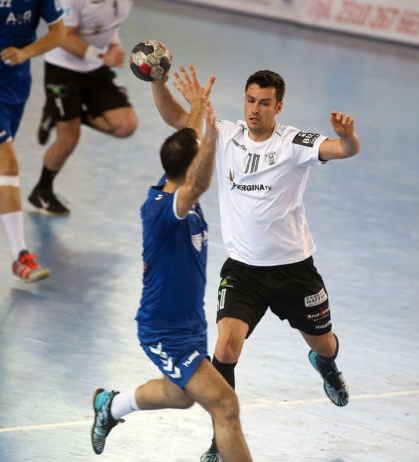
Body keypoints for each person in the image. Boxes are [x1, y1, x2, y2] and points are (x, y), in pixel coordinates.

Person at [152, 65, 361, 462]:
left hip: (294, 269)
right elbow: (177, 119)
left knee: (324, 343)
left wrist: (348, 136)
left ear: (278, 107)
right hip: (243, 270)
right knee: (226, 348)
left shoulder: (293, 143)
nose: (255, 109)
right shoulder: (225, 135)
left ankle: (326, 366)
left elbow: (343, 149)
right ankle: (221, 436)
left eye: (265, 103)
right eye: (250, 100)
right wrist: (157, 83)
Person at [90, 74, 253, 462]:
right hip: (163, 330)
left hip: (190, 324)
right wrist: (212, 142)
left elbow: (188, 137)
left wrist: (193, 105)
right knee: (225, 406)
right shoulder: (166, 209)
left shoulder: (173, 177)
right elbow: (197, 184)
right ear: (191, 168)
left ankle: (110, 405)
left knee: (180, 396)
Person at [28, 0, 137, 216]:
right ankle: (42, 191)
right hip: (62, 69)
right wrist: (102, 56)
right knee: (68, 139)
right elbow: (62, 36)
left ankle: (57, 113)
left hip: (95, 68)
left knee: (125, 126)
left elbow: (109, 24)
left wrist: (114, 44)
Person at [0, 0, 66, 282]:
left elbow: (59, 33)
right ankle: (20, 256)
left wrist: (26, 53)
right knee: (7, 163)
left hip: (15, 84)